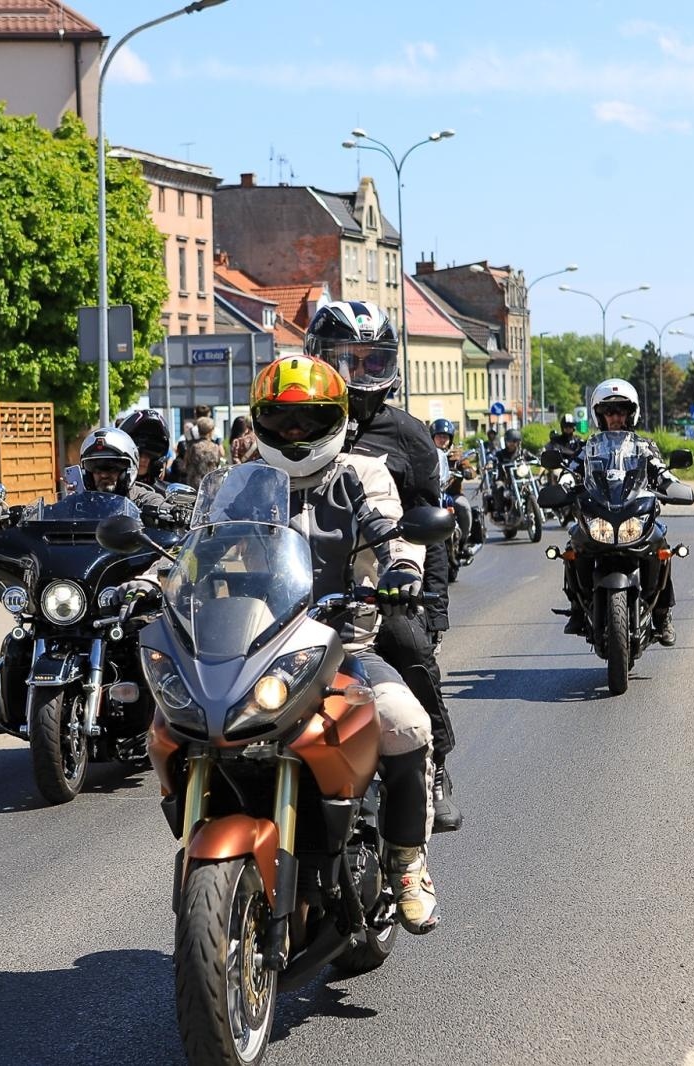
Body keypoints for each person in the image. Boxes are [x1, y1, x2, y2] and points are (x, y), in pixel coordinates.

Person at [248, 354, 441, 933]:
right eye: (282, 420)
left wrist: (401, 570)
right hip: (253, 650)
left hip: (341, 649)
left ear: (336, 418)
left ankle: (407, 860)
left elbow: (389, 527)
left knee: (407, 723)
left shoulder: (359, 473)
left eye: (308, 419)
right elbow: (200, 540)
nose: (295, 432)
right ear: (262, 422)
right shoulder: (248, 480)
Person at [304, 300, 462, 834]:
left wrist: (429, 606)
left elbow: (429, 525)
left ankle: (435, 768)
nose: (359, 372)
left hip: (378, 586)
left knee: (412, 651)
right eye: (345, 359)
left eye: (373, 361)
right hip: (296, 588)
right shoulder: (294, 421)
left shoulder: (409, 436)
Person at [552, 378, 682, 645]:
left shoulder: (643, 445)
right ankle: (578, 608)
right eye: (609, 412)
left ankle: (662, 613)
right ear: (600, 415)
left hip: (634, 513)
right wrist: (563, 487)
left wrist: (673, 485)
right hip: (599, 513)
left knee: (662, 545)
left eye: (620, 411)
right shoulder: (589, 447)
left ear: (630, 414)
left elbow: (661, 470)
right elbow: (571, 472)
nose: (615, 417)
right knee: (573, 543)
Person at [430, 418, 476, 557]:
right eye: (439, 436)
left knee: (464, 506)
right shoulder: (427, 453)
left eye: (445, 437)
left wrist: (467, 472)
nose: (442, 439)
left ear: (450, 438)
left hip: (452, 494)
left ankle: (464, 541)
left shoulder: (456, 454)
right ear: (433, 437)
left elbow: (469, 468)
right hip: (433, 495)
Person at [116, 408, 173, 491]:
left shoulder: (167, 493)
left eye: (150, 454)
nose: (143, 459)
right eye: (138, 453)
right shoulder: (110, 490)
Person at [488, 427, 527, 519]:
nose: (513, 444)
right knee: (497, 486)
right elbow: (493, 459)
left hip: (521, 479)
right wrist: (490, 463)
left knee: (535, 482)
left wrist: (541, 460)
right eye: (510, 441)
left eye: (515, 441)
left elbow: (533, 458)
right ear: (506, 442)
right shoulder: (501, 454)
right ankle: (499, 511)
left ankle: (539, 505)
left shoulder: (522, 453)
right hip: (505, 480)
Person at [181, 416, 224, 486]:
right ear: (211, 431)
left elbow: (186, 464)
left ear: (198, 430)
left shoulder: (194, 447)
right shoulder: (215, 447)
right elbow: (217, 463)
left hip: (195, 483)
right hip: (210, 483)